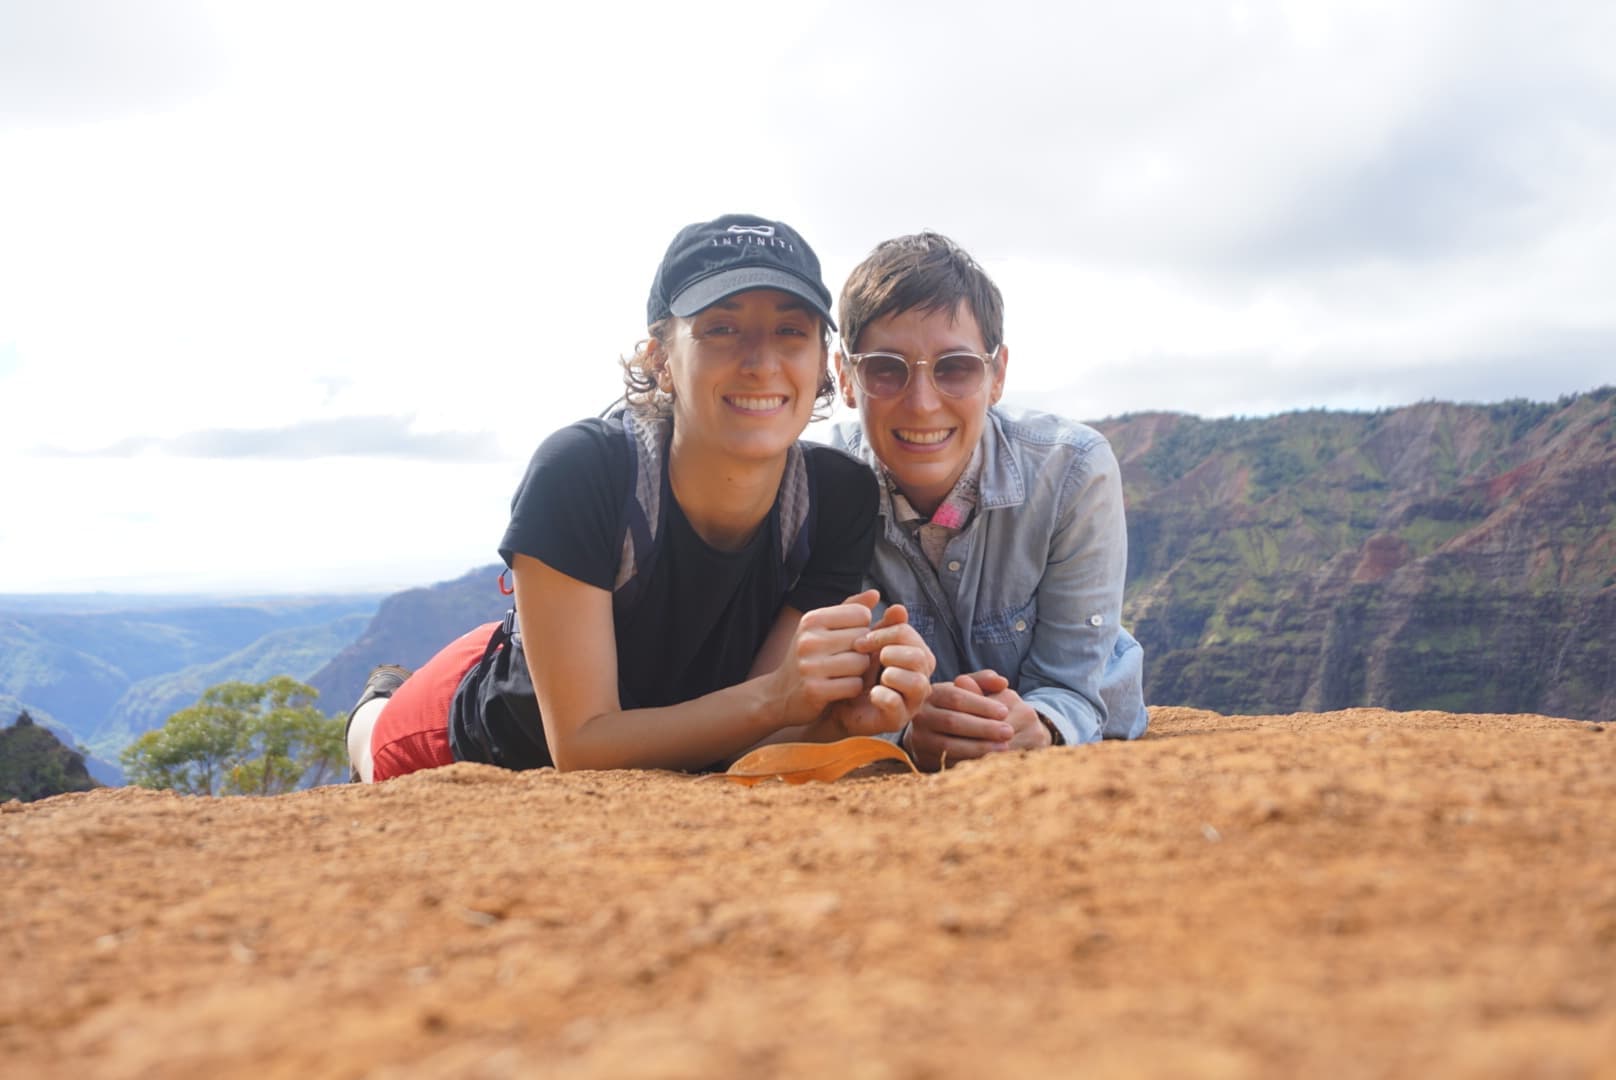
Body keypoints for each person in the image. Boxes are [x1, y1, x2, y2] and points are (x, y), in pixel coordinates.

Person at [346, 213, 936, 781]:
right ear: (661, 359)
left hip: (584, 647)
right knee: (377, 747)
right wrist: (784, 699)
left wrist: (830, 723)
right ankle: (375, 702)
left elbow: (756, 730)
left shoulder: (835, 498)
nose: (762, 363)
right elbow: (580, 744)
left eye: (791, 331)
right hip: (472, 736)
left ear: (821, 364)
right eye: (721, 329)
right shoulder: (583, 470)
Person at [831, 232, 1147, 772]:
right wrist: (905, 731)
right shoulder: (819, 494)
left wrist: (1041, 725)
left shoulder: (1071, 473)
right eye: (887, 368)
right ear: (846, 378)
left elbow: (1074, 682)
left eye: (956, 367)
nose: (923, 403)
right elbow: (838, 695)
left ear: (996, 375)